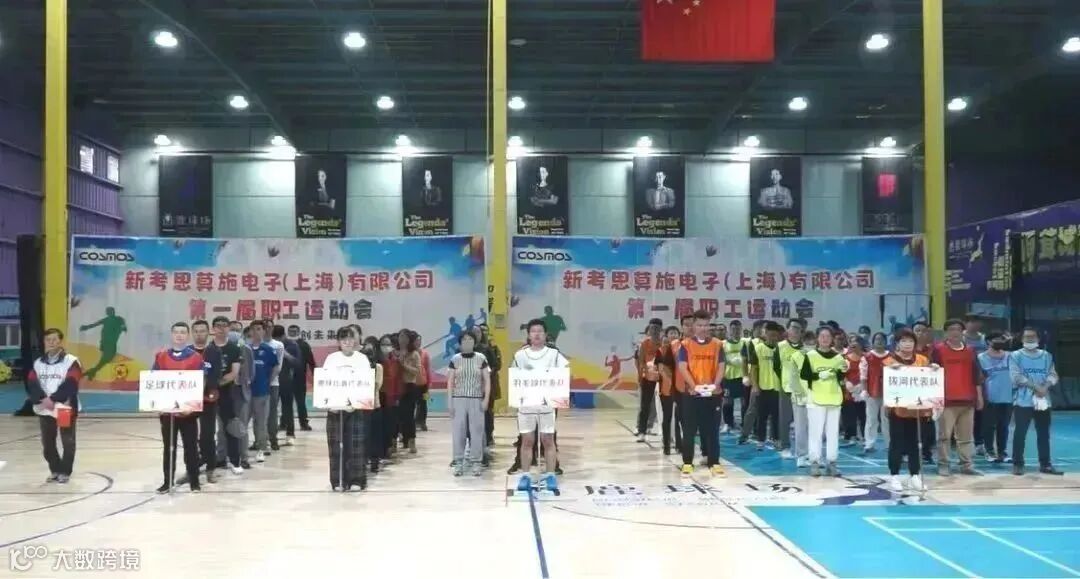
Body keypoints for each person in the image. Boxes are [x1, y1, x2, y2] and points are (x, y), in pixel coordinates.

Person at [512, 319, 570, 492]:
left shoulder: (554, 354)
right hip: (526, 405)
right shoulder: (520, 355)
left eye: (540, 331)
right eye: (533, 331)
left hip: (546, 405)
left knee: (548, 440)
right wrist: (517, 400)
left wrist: (559, 399)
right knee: (527, 440)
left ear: (545, 335)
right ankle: (525, 475)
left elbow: (564, 374)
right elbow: (515, 378)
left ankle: (550, 475)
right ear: (528, 335)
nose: (537, 334)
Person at [152, 322, 205, 493]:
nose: (179, 335)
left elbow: (201, 383)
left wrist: (192, 407)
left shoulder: (196, 358)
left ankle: (194, 481)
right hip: (168, 412)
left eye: (183, 332)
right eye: (176, 332)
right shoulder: (161, 357)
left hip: (188, 412)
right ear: (172, 334)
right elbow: (154, 381)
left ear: (187, 335)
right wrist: (158, 404)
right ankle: (167, 481)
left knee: (191, 448)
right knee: (169, 448)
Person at [26, 328, 81, 483]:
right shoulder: (38, 363)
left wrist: (54, 399)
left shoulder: (71, 361)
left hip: (64, 408)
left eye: (54, 339)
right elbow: (32, 383)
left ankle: (65, 472)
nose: (51, 342)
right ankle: (55, 469)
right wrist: (42, 399)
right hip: (45, 409)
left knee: (67, 441)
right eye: (48, 339)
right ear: (44, 342)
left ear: (61, 341)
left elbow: (72, 382)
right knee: (47, 443)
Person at [676, 310, 726, 476]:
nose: (703, 328)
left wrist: (715, 385)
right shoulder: (686, 345)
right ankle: (687, 462)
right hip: (692, 394)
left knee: (712, 429)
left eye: (706, 325)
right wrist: (694, 386)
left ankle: (714, 462)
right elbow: (683, 367)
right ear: (694, 326)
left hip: (713, 395)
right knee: (689, 430)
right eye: (699, 325)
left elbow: (721, 366)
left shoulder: (717, 344)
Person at [932, 319, 984, 476]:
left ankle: (966, 465)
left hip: (967, 400)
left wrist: (979, 396)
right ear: (946, 333)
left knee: (966, 437)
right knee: (944, 436)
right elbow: (931, 374)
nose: (955, 332)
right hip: (946, 400)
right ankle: (943, 464)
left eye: (958, 329)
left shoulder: (970, 350)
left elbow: (976, 375)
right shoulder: (938, 349)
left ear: (963, 332)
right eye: (951, 329)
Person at [1009, 328, 1063, 476]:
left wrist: (1045, 386)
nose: (1030, 339)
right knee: (1020, 433)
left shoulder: (1046, 356)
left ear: (1038, 339)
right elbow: (1016, 377)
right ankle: (1018, 464)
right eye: (1027, 336)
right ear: (1022, 339)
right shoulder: (1015, 356)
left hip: (1043, 400)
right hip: (1023, 401)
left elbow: (1053, 375)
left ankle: (1045, 464)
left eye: (1033, 336)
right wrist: (1035, 387)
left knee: (1044, 433)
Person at [323, 327, 371, 491]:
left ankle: (357, 480)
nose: (348, 343)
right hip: (335, 408)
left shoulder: (362, 359)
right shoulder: (332, 359)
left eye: (350, 339)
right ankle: (338, 480)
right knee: (336, 445)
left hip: (355, 408)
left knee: (356, 444)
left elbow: (366, 383)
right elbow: (325, 382)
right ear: (339, 342)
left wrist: (356, 403)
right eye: (344, 340)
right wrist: (331, 404)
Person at [883, 329, 931, 493]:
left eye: (910, 341)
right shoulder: (889, 362)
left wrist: (933, 369)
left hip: (917, 408)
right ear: (897, 344)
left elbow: (930, 380)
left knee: (916, 443)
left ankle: (914, 475)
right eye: (903, 341)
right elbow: (885, 384)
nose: (907, 344)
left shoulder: (923, 360)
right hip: (898, 409)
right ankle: (894, 475)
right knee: (896, 442)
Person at [800, 326, 848, 477]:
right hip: (815, 398)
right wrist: (818, 376)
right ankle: (814, 462)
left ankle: (832, 463)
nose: (825, 339)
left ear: (832, 339)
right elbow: (804, 375)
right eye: (822, 336)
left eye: (828, 336)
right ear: (817, 338)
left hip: (834, 398)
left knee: (833, 432)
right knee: (816, 432)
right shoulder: (810, 355)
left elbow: (841, 377)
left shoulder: (838, 357)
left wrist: (844, 370)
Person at [447, 332, 491, 477]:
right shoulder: (455, 359)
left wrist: (486, 399)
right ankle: (458, 461)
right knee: (458, 431)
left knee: (477, 431)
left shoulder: (481, 358)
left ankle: (476, 461)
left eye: (470, 339)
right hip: (458, 399)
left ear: (474, 342)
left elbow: (487, 380)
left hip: (476, 399)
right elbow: (450, 382)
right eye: (464, 339)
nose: (467, 341)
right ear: (460, 343)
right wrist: (450, 402)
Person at [189, 320, 222, 485]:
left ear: (208, 333)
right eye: (196, 331)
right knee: (190, 436)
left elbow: (216, 375)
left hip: (208, 399)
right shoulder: (187, 352)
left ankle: (211, 469)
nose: (199, 334)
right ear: (192, 333)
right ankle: (192, 470)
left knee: (207, 436)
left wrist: (206, 387)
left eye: (202, 331)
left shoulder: (214, 352)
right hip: (189, 400)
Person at [210, 317, 244, 475]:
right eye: (218, 326)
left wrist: (216, 384)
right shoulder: (208, 349)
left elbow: (234, 373)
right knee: (207, 429)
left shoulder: (234, 349)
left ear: (228, 329)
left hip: (226, 393)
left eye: (225, 326)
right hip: (206, 394)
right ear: (213, 329)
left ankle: (235, 461)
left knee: (230, 428)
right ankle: (209, 460)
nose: (221, 328)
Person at [747, 321, 783, 450]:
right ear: (765, 334)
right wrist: (755, 385)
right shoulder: (759, 349)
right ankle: (761, 440)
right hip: (762, 388)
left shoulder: (781, 349)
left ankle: (776, 439)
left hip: (778, 388)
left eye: (776, 335)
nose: (773, 338)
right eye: (771, 335)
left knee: (776, 416)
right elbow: (753, 369)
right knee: (761, 416)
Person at [979, 331, 1014, 463]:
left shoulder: (1011, 356)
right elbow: (979, 378)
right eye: (997, 339)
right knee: (989, 426)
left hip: (1008, 397)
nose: (1000, 341)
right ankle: (989, 452)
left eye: (1002, 339)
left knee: (1003, 426)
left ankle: (1002, 452)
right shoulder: (981, 357)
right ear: (988, 342)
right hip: (990, 397)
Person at [247, 321, 279, 463]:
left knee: (261, 422)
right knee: (243, 422)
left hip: (262, 391)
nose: (256, 332)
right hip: (245, 392)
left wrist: (268, 380)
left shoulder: (268, 349)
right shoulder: (245, 349)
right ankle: (240, 452)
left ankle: (261, 449)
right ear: (249, 332)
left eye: (259, 329)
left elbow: (275, 367)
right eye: (253, 329)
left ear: (264, 331)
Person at [775, 319, 804, 458]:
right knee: (785, 419)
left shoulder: (805, 347)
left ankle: (802, 449)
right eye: (793, 327)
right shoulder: (780, 346)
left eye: (799, 328)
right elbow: (776, 366)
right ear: (787, 330)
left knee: (802, 421)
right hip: (786, 387)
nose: (796, 330)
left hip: (803, 389)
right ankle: (785, 446)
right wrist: (784, 380)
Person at [787, 331, 816, 467]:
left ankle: (814, 455)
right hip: (800, 398)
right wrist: (800, 394)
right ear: (803, 342)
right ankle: (801, 455)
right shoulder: (796, 356)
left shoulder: (818, 356)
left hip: (817, 398)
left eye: (812, 342)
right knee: (800, 428)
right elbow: (792, 379)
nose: (810, 344)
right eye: (807, 342)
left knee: (815, 428)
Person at [860, 332, 892, 454]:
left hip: (888, 393)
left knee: (887, 419)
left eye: (882, 339)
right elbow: (863, 376)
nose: (879, 341)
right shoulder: (867, 357)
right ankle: (869, 444)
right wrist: (864, 390)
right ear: (873, 342)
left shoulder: (891, 357)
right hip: (871, 392)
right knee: (871, 419)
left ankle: (890, 444)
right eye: (877, 339)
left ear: (885, 341)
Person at [738, 320, 768, 445]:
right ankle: (744, 434)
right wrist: (746, 376)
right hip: (756, 380)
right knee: (752, 409)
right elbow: (745, 361)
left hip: (771, 381)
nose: (763, 331)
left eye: (765, 329)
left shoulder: (776, 343)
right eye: (761, 329)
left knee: (770, 410)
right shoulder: (752, 343)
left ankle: (766, 435)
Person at [79, 306, 126, 380]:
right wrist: (86, 327)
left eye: (110, 311)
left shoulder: (118, 319)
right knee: (106, 359)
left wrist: (122, 328)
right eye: (108, 311)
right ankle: (91, 372)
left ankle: (92, 372)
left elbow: (123, 326)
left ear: (113, 312)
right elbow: (95, 324)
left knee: (105, 360)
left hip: (110, 343)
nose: (109, 313)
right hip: (107, 343)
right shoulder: (108, 320)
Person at [635, 319, 663, 442]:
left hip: (662, 378)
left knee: (663, 406)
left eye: (657, 328)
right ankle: (642, 431)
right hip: (647, 378)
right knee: (645, 405)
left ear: (661, 330)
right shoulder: (644, 344)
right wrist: (642, 375)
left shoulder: (664, 343)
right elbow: (641, 361)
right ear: (649, 329)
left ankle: (664, 432)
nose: (654, 331)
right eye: (652, 328)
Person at [657, 325, 683, 456]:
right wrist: (672, 380)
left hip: (680, 388)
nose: (673, 335)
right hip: (666, 389)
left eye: (675, 333)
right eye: (671, 333)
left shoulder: (682, 348)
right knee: (667, 417)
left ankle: (679, 445)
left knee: (679, 418)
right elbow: (661, 369)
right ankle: (666, 445)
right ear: (666, 336)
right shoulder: (661, 351)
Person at [395, 330, 422, 454]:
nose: (402, 339)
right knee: (397, 415)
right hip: (396, 387)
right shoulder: (395, 352)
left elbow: (417, 371)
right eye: (400, 337)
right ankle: (399, 440)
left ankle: (411, 441)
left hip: (410, 386)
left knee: (409, 416)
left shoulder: (414, 354)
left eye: (405, 337)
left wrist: (404, 365)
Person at [287, 325, 315, 431]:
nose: (292, 333)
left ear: (299, 332)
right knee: (286, 402)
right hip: (285, 378)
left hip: (299, 378)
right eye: (290, 331)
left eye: (294, 331)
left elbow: (311, 361)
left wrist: (315, 374)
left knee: (301, 402)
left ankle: (303, 423)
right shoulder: (284, 344)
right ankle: (284, 423)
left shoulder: (304, 345)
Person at [720, 320, 746, 433]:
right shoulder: (723, 344)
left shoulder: (745, 342)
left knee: (744, 401)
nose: (736, 331)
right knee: (727, 401)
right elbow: (721, 359)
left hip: (743, 376)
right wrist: (730, 361)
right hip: (728, 376)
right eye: (733, 329)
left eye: (738, 329)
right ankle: (728, 423)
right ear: (729, 330)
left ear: (741, 330)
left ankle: (744, 423)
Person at [840, 336, 867, 448]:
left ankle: (865, 437)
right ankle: (851, 436)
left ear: (861, 344)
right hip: (849, 391)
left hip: (863, 390)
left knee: (864, 415)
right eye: (851, 342)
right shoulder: (845, 358)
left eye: (856, 342)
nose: (853, 344)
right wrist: (847, 383)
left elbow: (870, 373)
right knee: (849, 414)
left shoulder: (867, 358)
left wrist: (862, 385)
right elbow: (842, 374)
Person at [379, 334, 402, 459]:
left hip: (392, 397)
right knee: (381, 424)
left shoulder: (396, 361)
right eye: (383, 344)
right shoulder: (378, 361)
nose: (386, 347)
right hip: (380, 397)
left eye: (388, 344)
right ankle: (382, 449)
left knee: (391, 424)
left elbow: (398, 380)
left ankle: (390, 446)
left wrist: (397, 396)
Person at [413, 332, 432, 432]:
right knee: (413, 404)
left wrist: (429, 383)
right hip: (413, 384)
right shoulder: (410, 353)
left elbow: (428, 369)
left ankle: (422, 422)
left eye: (419, 340)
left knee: (424, 403)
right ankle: (414, 422)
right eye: (416, 340)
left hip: (424, 384)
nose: (418, 342)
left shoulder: (425, 354)